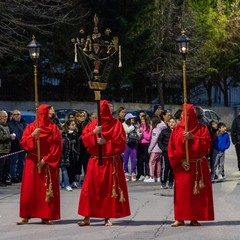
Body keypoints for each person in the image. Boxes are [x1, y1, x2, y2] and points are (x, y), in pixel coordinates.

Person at [77, 100, 130, 227]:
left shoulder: (116, 124)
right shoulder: (92, 125)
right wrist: (94, 134)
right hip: (95, 160)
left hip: (110, 161)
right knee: (89, 189)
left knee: (108, 189)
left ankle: (107, 217)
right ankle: (86, 217)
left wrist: (106, 142)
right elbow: (84, 139)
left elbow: (121, 144)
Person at [168, 104, 214, 227]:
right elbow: (172, 148)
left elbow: (207, 144)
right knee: (182, 193)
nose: (186, 117)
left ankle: (195, 217)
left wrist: (193, 137)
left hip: (198, 165)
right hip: (183, 165)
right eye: (184, 115)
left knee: (197, 194)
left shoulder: (202, 128)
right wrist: (180, 160)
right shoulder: (177, 129)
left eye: (189, 115)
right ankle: (180, 218)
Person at [17, 104, 62, 225]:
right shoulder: (31, 127)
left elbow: (57, 146)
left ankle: (46, 215)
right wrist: (33, 136)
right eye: (45, 113)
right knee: (29, 189)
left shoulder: (54, 129)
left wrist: (46, 159)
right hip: (32, 161)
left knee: (46, 189)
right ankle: (26, 215)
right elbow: (23, 143)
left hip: (47, 162)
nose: (46, 115)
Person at [144, 116, 166, 183]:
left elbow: (154, 140)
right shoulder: (162, 128)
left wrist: (149, 149)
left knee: (151, 162)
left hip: (155, 149)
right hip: (160, 149)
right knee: (158, 162)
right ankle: (158, 177)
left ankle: (152, 177)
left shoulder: (155, 129)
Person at [8, 109, 27, 183]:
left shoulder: (23, 123)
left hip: (22, 146)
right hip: (14, 146)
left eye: (18, 114)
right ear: (12, 116)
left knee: (21, 162)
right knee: (13, 162)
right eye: (15, 114)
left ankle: (20, 175)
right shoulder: (9, 124)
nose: (16, 116)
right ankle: (13, 177)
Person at [122, 113, 142, 182]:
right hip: (126, 144)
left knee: (134, 160)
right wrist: (133, 127)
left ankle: (133, 173)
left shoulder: (135, 126)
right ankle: (126, 173)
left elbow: (138, 137)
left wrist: (139, 133)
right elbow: (127, 130)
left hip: (134, 144)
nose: (133, 119)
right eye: (131, 118)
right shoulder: (124, 125)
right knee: (125, 160)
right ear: (128, 119)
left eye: (133, 118)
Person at [158, 117, 176, 189]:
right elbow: (159, 141)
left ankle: (171, 182)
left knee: (172, 168)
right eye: (170, 122)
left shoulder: (177, 131)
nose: (171, 123)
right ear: (168, 123)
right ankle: (163, 182)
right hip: (166, 153)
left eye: (173, 122)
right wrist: (164, 149)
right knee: (165, 167)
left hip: (174, 153)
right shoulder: (164, 131)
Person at [0, 111, 16, 186]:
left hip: (7, 149)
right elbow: (1, 137)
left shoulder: (6, 125)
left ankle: (4, 179)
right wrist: (10, 136)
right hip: (1, 150)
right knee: (1, 166)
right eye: (3, 116)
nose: (5, 118)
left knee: (6, 166)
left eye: (6, 116)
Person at [136, 114, 152, 181]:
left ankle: (147, 174)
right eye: (141, 120)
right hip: (140, 144)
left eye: (143, 120)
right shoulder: (140, 126)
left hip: (146, 144)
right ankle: (141, 173)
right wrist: (138, 131)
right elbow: (138, 136)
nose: (142, 121)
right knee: (140, 160)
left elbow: (148, 137)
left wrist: (143, 132)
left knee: (146, 160)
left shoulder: (150, 127)